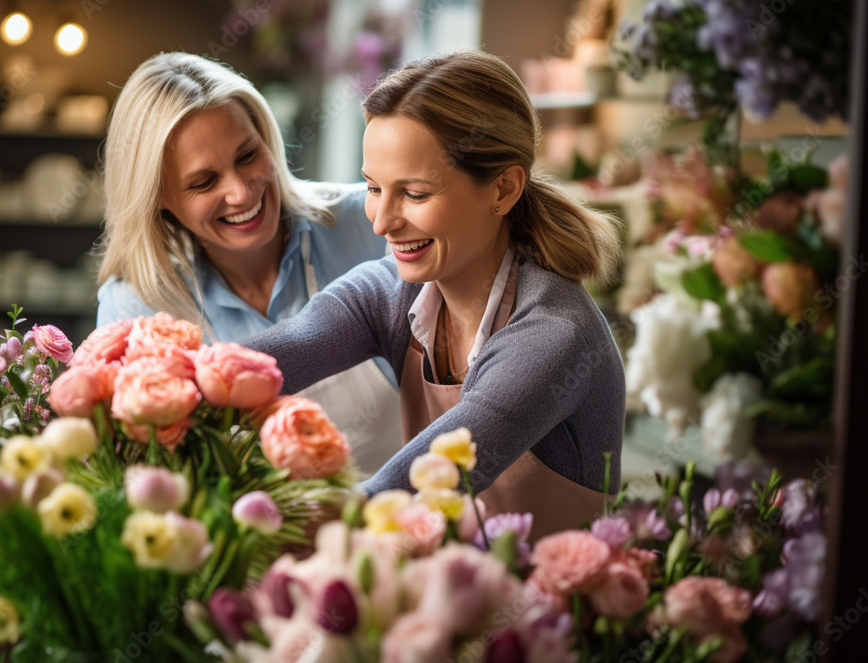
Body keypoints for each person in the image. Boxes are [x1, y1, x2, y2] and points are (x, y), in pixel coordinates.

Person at [242, 49, 626, 540]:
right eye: (374, 188)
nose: (382, 222)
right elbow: (261, 364)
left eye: (416, 194)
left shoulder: (554, 333)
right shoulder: (394, 292)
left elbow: (408, 487)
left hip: (552, 612)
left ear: (504, 189)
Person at [94, 51, 402, 476]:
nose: (240, 193)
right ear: (157, 199)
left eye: (247, 156)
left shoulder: (369, 222)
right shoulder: (135, 309)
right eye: (204, 181)